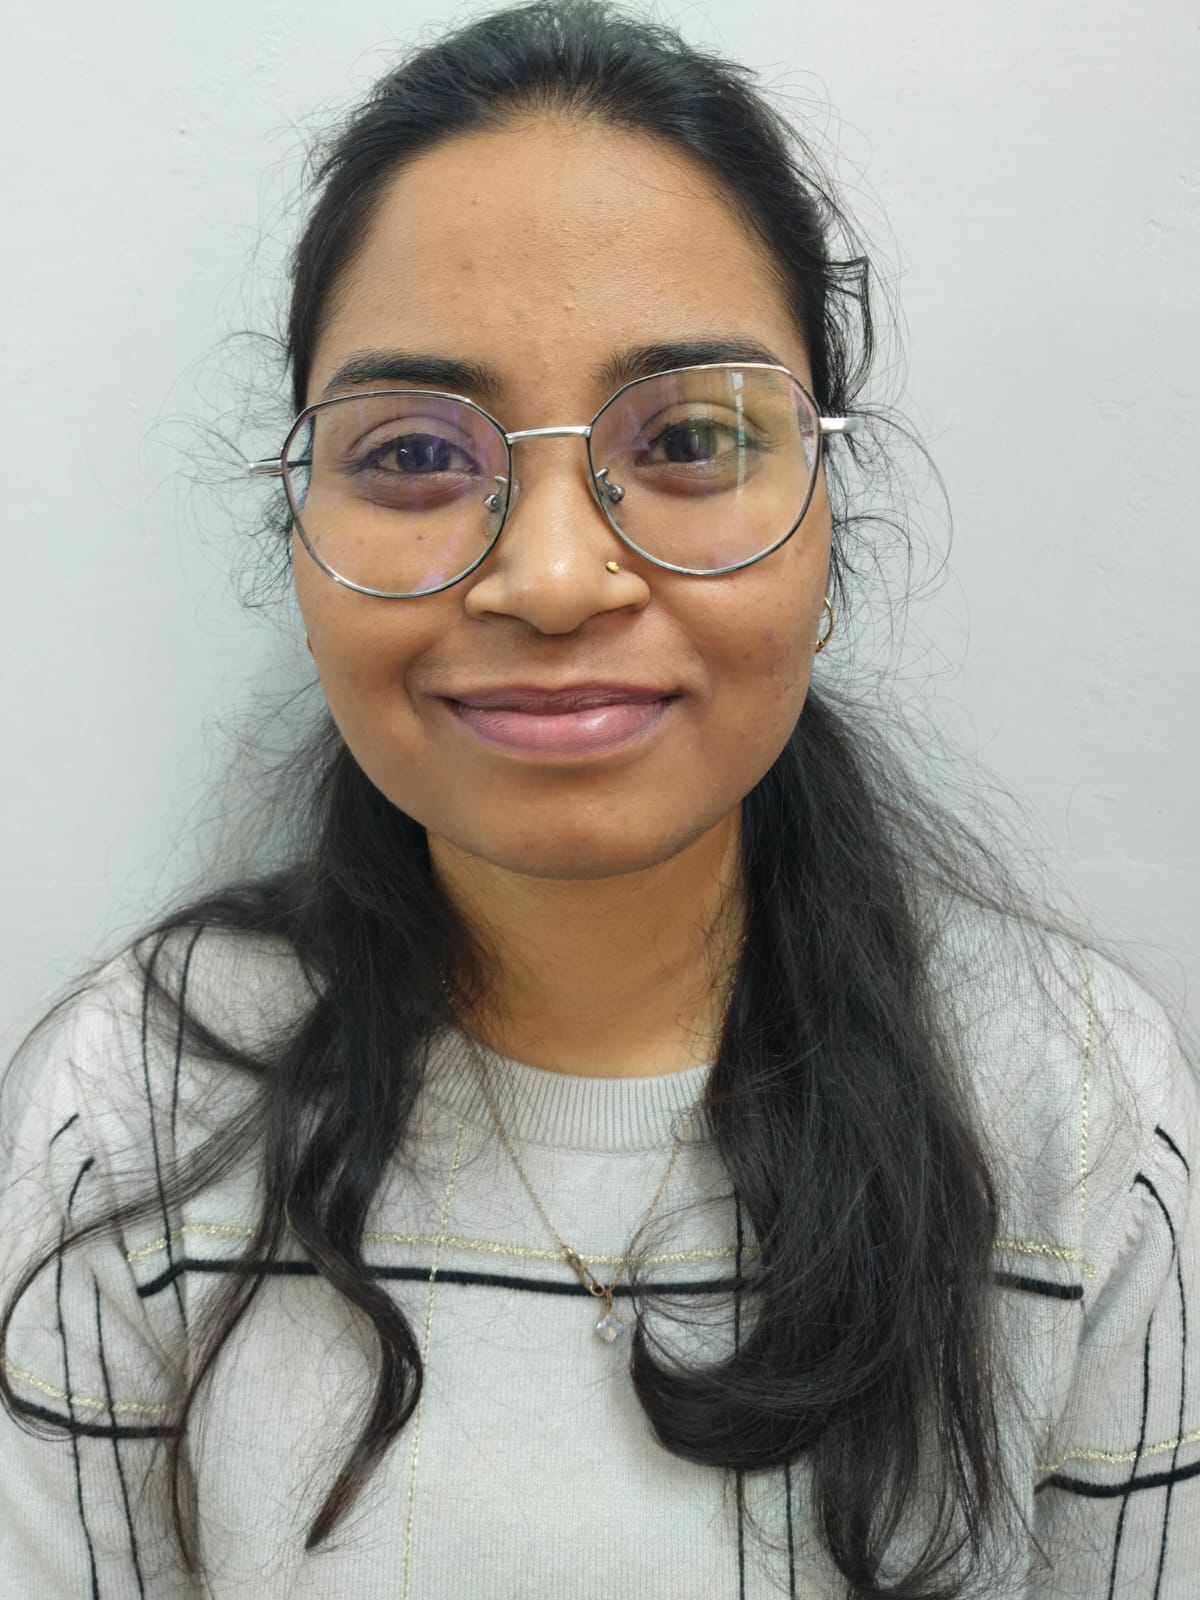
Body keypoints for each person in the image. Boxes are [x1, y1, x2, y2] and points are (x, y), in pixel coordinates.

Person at [0, 2, 1195, 1594]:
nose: (555, 578)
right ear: (298, 534)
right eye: (414, 455)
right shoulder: (137, 1113)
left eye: (691, 436)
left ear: (828, 520)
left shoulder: (1071, 1117)